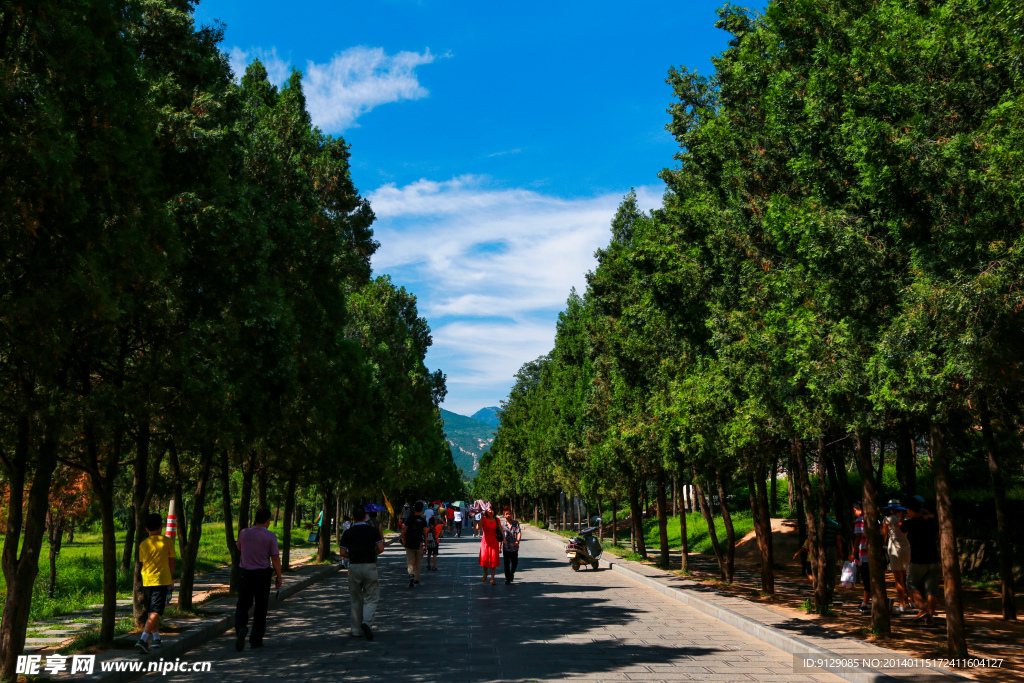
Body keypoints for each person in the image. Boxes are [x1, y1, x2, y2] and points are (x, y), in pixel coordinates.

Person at [234, 508, 283, 651]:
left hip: (245, 574)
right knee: (261, 608)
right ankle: (256, 639)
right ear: (268, 521)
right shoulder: (271, 536)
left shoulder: (243, 533)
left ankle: (241, 629)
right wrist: (279, 575)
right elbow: (274, 557)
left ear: (254, 519)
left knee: (242, 606)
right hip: (262, 575)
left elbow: (239, 548)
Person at [339, 505, 385, 640]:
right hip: (370, 566)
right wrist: (372, 553)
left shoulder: (348, 533)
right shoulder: (372, 530)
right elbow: (381, 548)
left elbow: (342, 552)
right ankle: (366, 622)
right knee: (371, 597)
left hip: (354, 567)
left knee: (355, 598)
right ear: (365, 516)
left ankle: (356, 630)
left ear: (352, 517)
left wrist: (352, 554)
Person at [135, 513, 175, 654]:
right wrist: (170, 580)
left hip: (147, 580)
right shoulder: (167, 542)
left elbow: (143, 562)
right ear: (161, 527)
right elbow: (172, 563)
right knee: (156, 612)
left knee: (152, 611)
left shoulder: (143, 544)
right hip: (161, 580)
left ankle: (156, 638)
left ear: (146, 529)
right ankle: (143, 639)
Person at [901, 496, 941, 627]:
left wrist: (902, 516)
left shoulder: (909, 523)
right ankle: (930, 618)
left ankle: (923, 608)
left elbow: (901, 527)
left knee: (911, 585)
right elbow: (937, 534)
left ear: (909, 510)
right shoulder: (931, 522)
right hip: (934, 559)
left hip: (917, 560)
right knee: (932, 590)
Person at [882, 499, 911, 613]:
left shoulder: (887, 519)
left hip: (894, 547)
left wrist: (882, 546)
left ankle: (902, 603)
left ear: (890, 509)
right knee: (906, 575)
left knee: (898, 577)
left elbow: (884, 536)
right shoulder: (907, 519)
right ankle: (911, 600)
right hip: (906, 547)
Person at [401, 502, 429, 588]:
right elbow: (425, 534)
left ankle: (411, 575)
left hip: (409, 543)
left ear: (414, 509)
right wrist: (426, 546)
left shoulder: (409, 519)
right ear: (421, 510)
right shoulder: (423, 520)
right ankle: (416, 579)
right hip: (418, 543)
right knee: (418, 562)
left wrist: (404, 540)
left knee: (410, 561)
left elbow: (404, 530)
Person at [851, 502, 872, 614]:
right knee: (872, 580)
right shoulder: (876, 520)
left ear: (856, 509)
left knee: (866, 581)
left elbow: (858, 537)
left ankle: (864, 604)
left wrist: (853, 553)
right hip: (875, 556)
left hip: (864, 555)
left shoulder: (860, 521)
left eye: (854, 511)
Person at [479, 507, 501, 585]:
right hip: (485, 542)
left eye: (492, 510)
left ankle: (492, 578)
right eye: (488, 510)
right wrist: (481, 518)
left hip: (494, 542)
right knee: (485, 559)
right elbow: (478, 527)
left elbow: (500, 530)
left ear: (494, 511)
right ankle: (485, 573)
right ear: (486, 512)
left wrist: (502, 542)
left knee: (493, 559)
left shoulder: (497, 520)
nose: (490, 511)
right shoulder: (484, 519)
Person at [501, 507, 522, 584]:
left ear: (511, 514)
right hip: (506, 547)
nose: (508, 515)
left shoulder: (516, 523)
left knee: (515, 562)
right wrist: (501, 544)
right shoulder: (502, 525)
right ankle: (508, 578)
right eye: (506, 514)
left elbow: (519, 532)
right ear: (504, 515)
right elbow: (501, 535)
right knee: (506, 563)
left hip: (514, 546)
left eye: (509, 513)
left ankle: (512, 573)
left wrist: (517, 541)